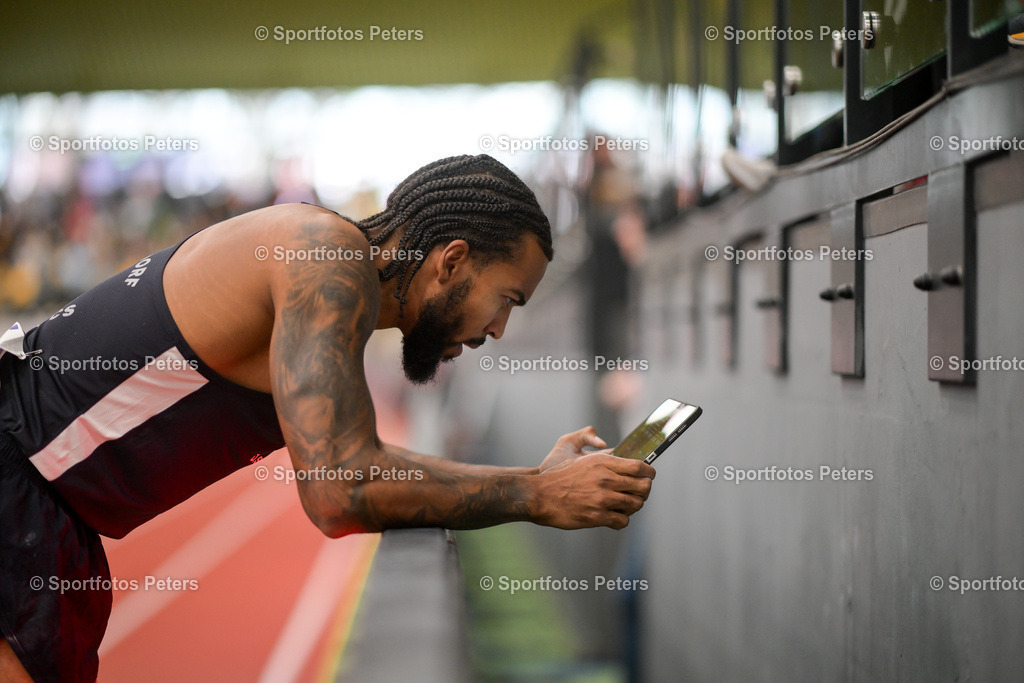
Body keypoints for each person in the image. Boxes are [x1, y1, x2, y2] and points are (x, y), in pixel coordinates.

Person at [0, 154, 655, 682]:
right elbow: (342, 487)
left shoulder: (328, 266)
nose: (500, 329)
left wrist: (539, 479)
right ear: (452, 260)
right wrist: (538, 494)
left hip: (45, 508)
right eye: (506, 299)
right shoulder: (326, 256)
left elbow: (357, 463)